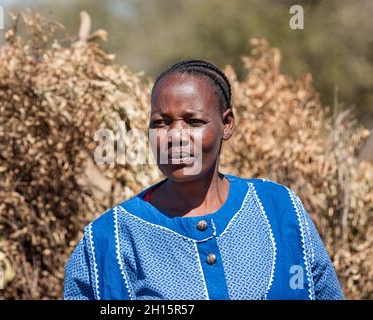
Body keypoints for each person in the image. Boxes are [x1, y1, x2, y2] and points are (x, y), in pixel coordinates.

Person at [63, 59, 344, 300]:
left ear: (227, 124)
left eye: (194, 122)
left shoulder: (279, 209)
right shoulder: (109, 238)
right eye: (161, 123)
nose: (175, 137)